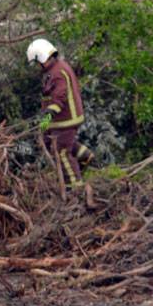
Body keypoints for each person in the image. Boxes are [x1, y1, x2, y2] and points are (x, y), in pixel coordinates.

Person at [27, 38, 93, 194]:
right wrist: (44, 125)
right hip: (61, 120)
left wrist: (47, 117)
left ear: (42, 57)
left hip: (66, 119)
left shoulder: (57, 73)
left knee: (61, 151)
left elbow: (58, 99)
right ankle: (86, 156)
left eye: (37, 62)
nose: (37, 67)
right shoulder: (55, 69)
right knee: (63, 143)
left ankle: (75, 188)